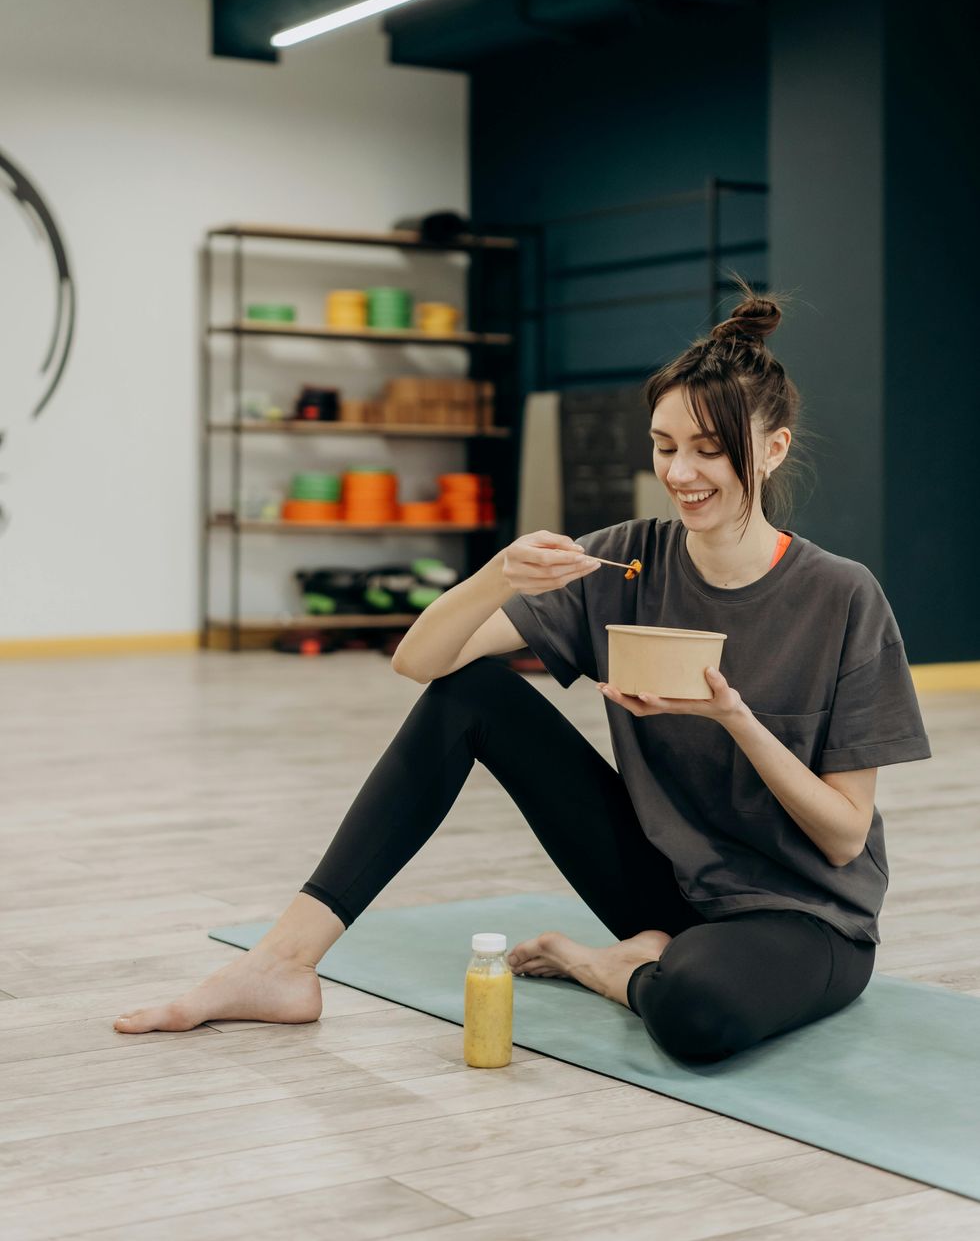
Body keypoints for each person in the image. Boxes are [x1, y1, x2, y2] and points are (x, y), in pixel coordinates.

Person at [115, 281, 932, 1063]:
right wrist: (496, 574)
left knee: (695, 1015)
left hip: (802, 916)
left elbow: (843, 834)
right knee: (472, 694)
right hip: (668, 887)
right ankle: (282, 963)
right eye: (665, 447)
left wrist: (735, 721)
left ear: (773, 448)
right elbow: (418, 662)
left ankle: (607, 966)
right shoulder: (628, 560)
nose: (681, 472)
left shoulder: (841, 596)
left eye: (709, 451)